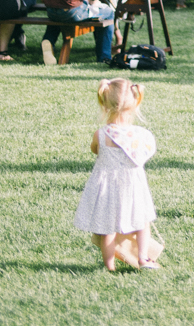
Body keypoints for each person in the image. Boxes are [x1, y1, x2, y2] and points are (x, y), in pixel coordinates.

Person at [74, 78, 160, 271]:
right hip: (134, 186)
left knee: (108, 230)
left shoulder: (101, 134)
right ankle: (143, 258)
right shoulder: (142, 135)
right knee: (142, 222)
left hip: (107, 188)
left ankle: (109, 266)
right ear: (135, 103)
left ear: (104, 104)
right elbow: (148, 152)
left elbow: (95, 150)